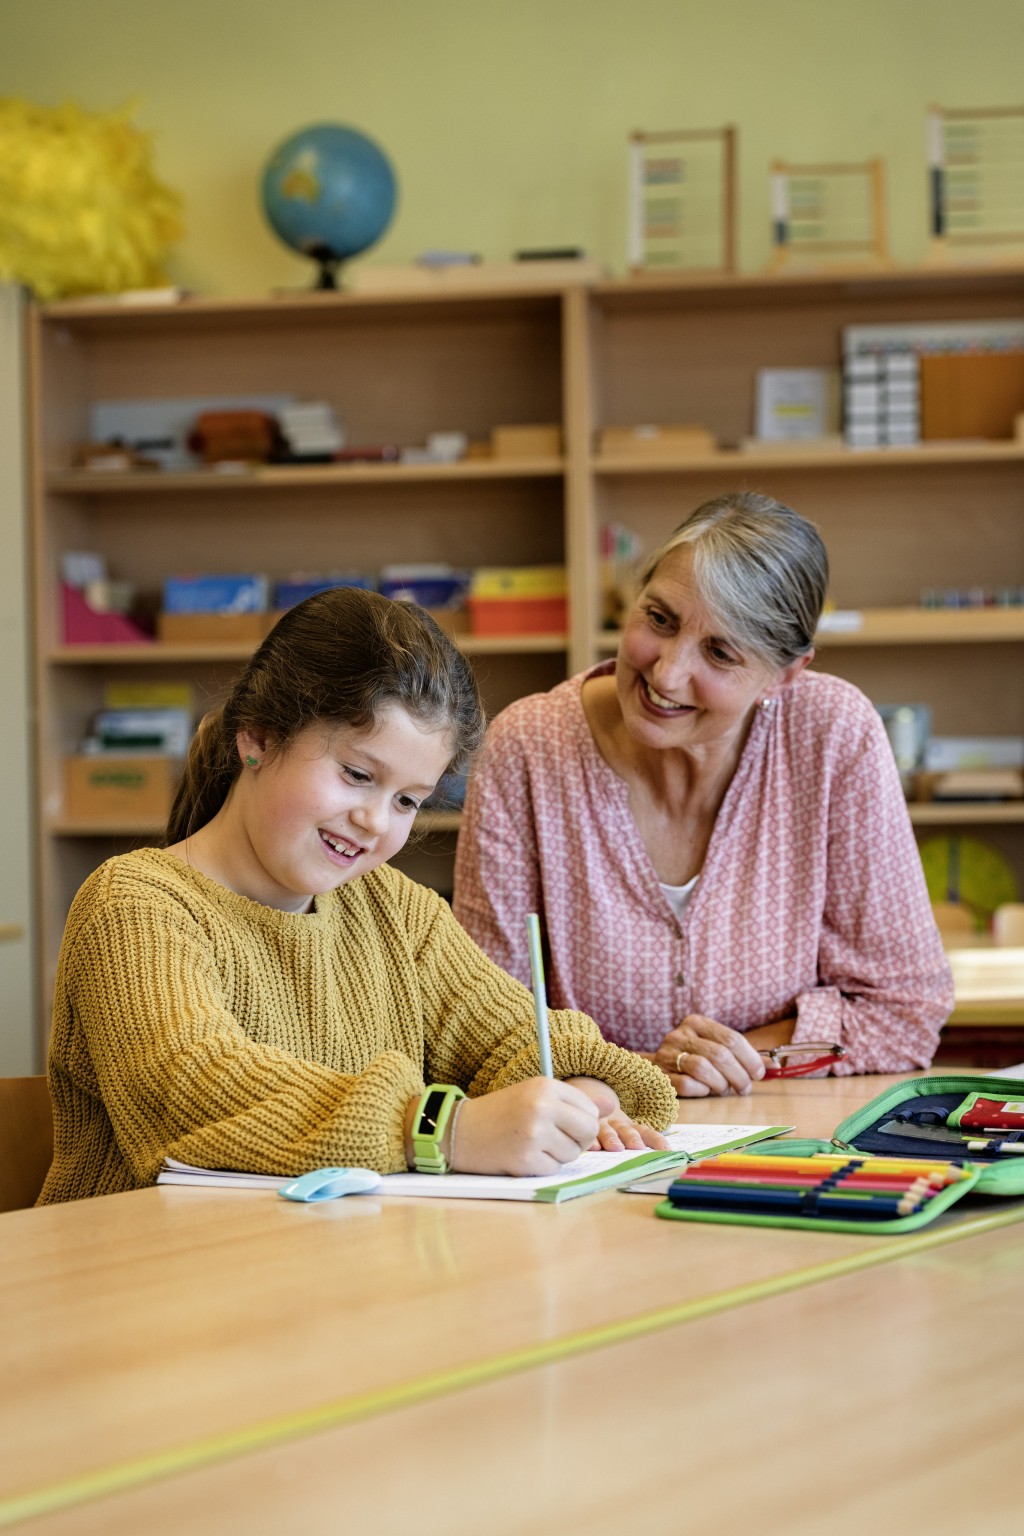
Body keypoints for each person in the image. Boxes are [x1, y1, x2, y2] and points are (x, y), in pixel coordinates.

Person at [40, 588, 676, 1204]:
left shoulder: (395, 909)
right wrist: (440, 1130)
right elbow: (193, 1086)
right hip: (149, 1285)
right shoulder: (135, 905)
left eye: (406, 800)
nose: (376, 820)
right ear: (257, 735)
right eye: (357, 775)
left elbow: (511, 1040)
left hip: (329, 1275)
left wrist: (581, 1092)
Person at [453, 492, 954, 1098]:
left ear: (785, 674)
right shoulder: (527, 746)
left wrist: (735, 1057)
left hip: (785, 1140)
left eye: (719, 652)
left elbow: (906, 1012)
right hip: (597, 1142)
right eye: (659, 619)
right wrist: (636, 1079)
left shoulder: (832, 735)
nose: (664, 674)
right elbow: (478, 1032)